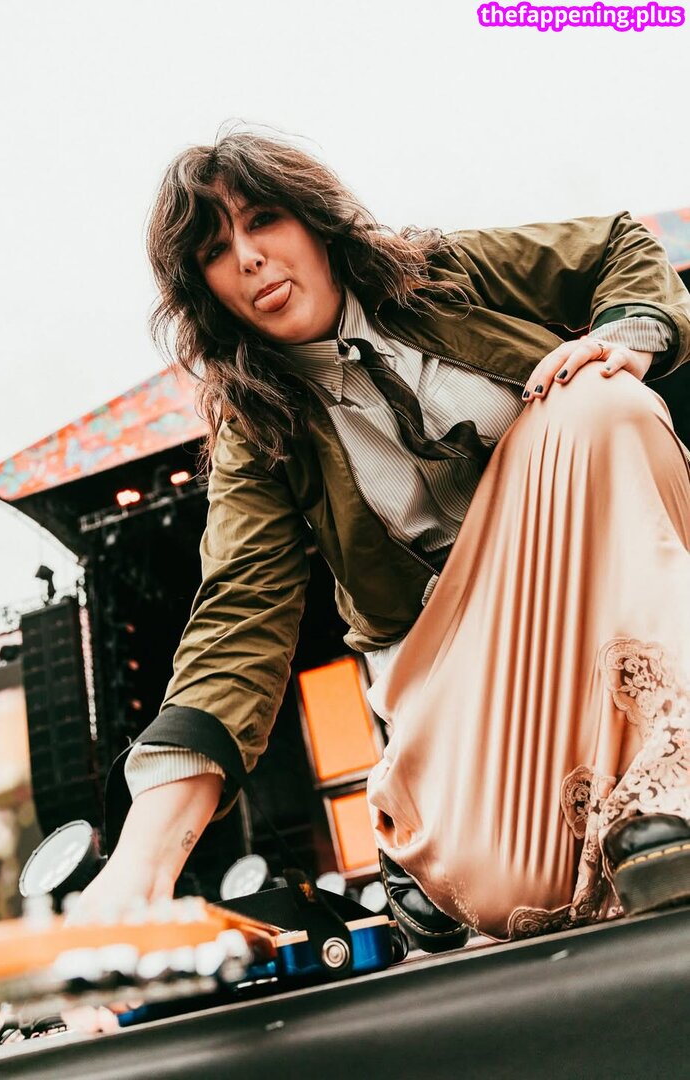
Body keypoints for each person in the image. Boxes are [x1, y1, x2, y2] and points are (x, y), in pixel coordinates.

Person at [73, 130, 690, 944]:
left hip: (584, 566)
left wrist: (624, 335)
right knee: (510, 891)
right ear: (205, 289)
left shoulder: (444, 275)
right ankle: (419, 817)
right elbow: (238, 621)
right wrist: (138, 865)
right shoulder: (258, 435)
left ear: (315, 222)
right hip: (451, 655)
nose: (249, 258)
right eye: (215, 251)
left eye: (262, 220)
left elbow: (617, 243)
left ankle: (665, 798)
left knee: (599, 404)